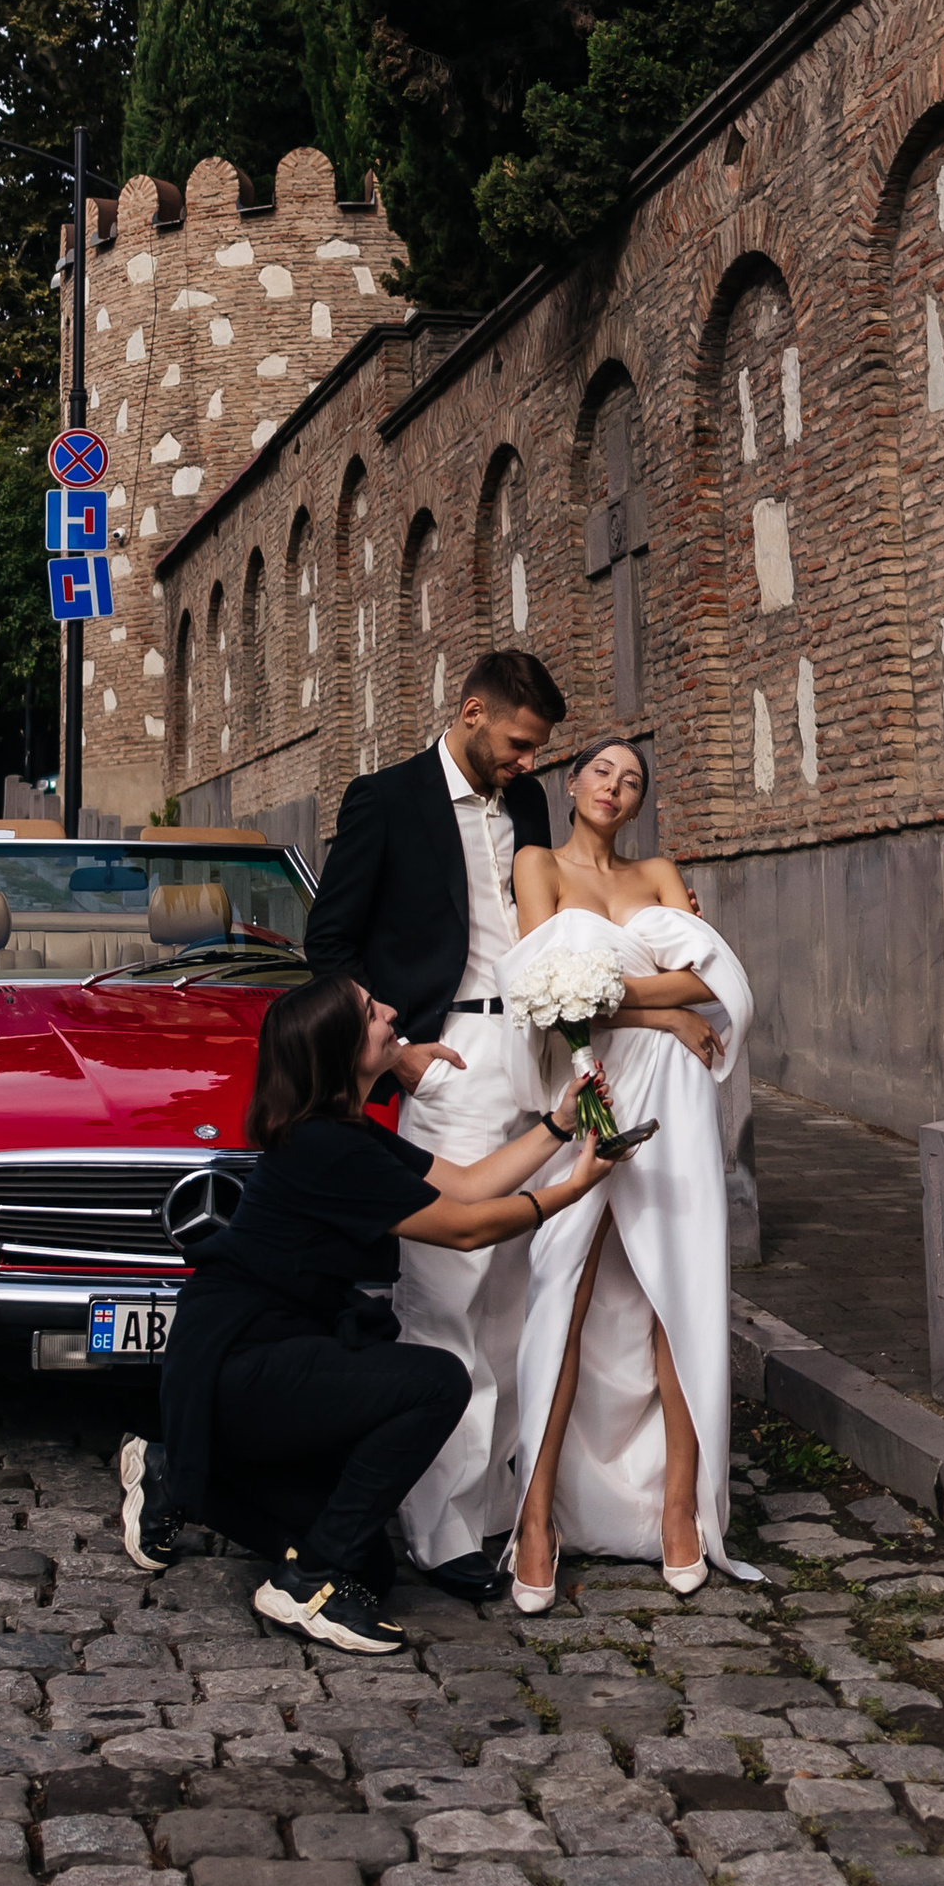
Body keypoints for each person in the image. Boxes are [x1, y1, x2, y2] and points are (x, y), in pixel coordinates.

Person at [146, 971, 611, 1653]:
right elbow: (466, 1227)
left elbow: (470, 1183)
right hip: (240, 1362)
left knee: (373, 1566)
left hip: (263, 1359)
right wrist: (571, 1189)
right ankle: (309, 1582)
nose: (391, 1010)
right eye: (370, 1013)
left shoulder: (343, 1130)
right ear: (339, 1048)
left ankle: (181, 1476)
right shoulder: (325, 1148)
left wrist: (557, 1126)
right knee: (436, 1381)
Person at [301, 649, 567, 1599]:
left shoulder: (528, 805)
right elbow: (325, 947)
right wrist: (401, 1048)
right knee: (447, 1295)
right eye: (519, 744)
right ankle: (437, 1528)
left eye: (538, 751)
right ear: (470, 713)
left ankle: (498, 1514)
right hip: (448, 1059)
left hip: (537, 1056)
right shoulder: (385, 799)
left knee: (514, 1296)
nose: (530, 764)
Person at [504, 734, 763, 1604]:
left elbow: (705, 984)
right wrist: (658, 1016)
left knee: (671, 1296)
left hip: (673, 1095)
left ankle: (680, 1511)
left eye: (635, 779)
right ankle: (536, 1519)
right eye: (602, 772)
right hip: (587, 1082)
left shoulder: (657, 873)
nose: (617, 787)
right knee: (564, 1289)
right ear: (571, 783)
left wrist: (649, 1008)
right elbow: (545, 987)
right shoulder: (534, 862)